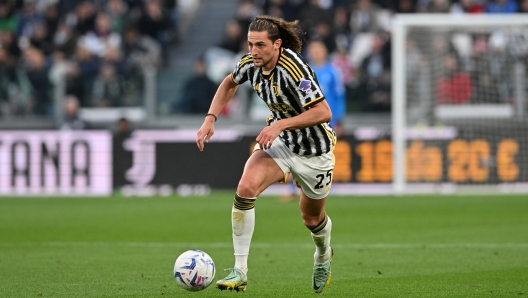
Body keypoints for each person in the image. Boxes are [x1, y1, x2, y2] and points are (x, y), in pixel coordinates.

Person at [196, 15, 336, 294]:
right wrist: (210, 118)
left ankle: (323, 255)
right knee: (245, 188)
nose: (253, 51)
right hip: (281, 142)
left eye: (260, 45)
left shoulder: (295, 70)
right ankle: (240, 271)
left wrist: (281, 123)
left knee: (311, 219)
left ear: (277, 44)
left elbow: (324, 112)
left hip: (314, 152)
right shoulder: (251, 64)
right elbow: (228, 83)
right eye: (250, 44)